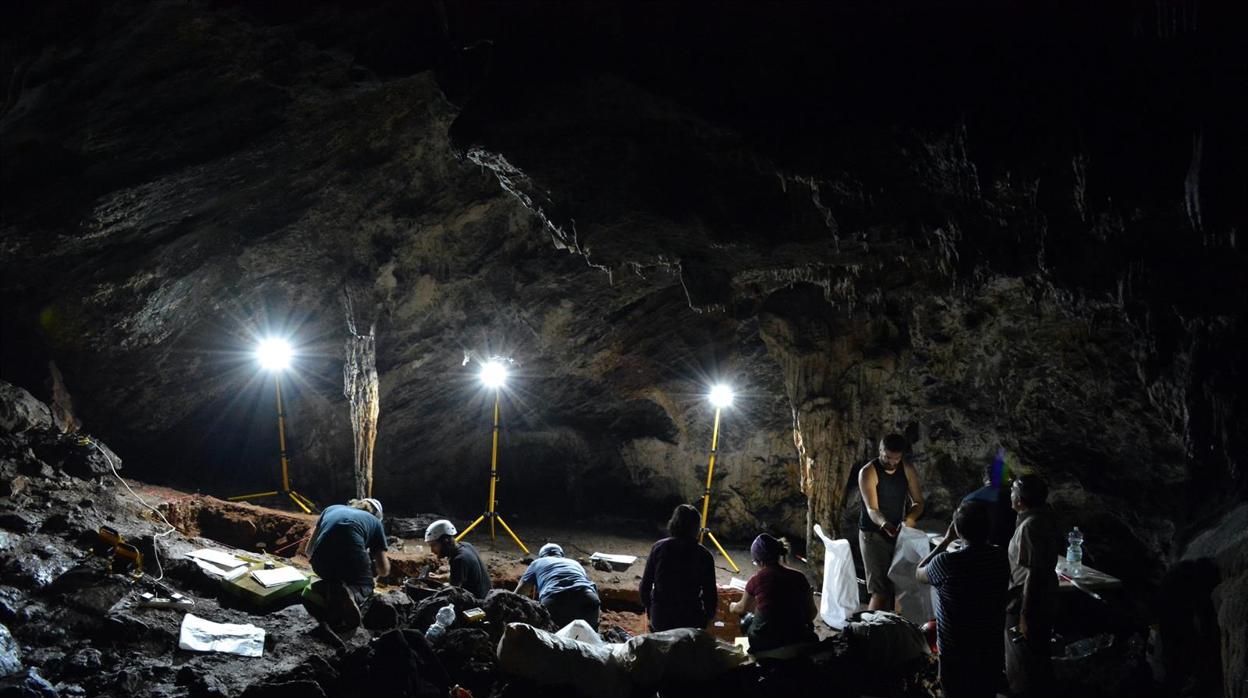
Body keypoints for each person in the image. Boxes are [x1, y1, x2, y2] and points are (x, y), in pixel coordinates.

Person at [916, 501, 1011, 698]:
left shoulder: (947, 562)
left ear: (958, 530)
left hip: (956, 650)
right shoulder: (1000, 558)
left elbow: (919, 573)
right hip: (990, 647)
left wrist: (946, 540)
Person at [857, 433, 925, 611]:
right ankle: (871, 632)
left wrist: (910, 518)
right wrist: (885, 524)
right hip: (873, 535)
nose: (892, 463)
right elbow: (872, 509)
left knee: (899, 586)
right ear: (880, 450)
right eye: (887, 457)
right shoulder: (868, 472)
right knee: (880, 591)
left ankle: (894, 630)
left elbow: (918, 501)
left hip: (898, 533)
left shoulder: (906, 469)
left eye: (897, 459)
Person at [1005, 475, 1059, 697]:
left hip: (1025, 602)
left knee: (1022, 665)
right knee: (1036, 660)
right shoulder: (1042, 517)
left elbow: (1033, 573)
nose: (1010, 494)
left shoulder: (1030, 526)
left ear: (1020, 500)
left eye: (1013, 491)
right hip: (1041, 599)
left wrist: (1024, 615)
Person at [302, 497, 389, 631]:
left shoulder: (330, 509)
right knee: (366, 585)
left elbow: (308, 550)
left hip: (320, 564)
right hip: (351, 559)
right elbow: (383, 569)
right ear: (377, 516)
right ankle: (352, 594)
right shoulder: (375, 523)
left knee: (336, 576)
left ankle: (333, 586)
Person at [729, 534, 817, 653]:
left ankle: (759, 654)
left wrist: (732, 606)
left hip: (766, 643)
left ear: (759, 561)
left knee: (747, 619)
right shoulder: (799, 577)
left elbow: (741, 608)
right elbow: (811, 614)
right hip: (797, 637)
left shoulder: (756, 580)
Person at [639, 504, 719, 632]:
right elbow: (710, 594)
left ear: (674, 523)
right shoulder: (704, 555)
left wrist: (650, 609)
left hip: (661, 618)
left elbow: (645, 585)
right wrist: (707, 619)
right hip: (690, 618)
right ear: (697, 528)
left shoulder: (659, 548)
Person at [515, 543, 601, 630]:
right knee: (588, 638)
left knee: (554, 638)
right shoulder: (575, 563)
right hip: (588, 599)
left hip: (555, 601)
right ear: (561, 555)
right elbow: (592, 586)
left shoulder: (536, 563)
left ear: (542, 556)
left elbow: (521, 592)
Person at [425, 519, 491, 599]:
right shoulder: (466, 546)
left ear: (445, 541)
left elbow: (453, 591)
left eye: (434, 545)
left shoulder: (459, 560)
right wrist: (438, 577)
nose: (432, 550)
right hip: (486, 596)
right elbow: (458, 576)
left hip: (477, 604)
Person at [961, 463, 1016, 548]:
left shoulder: (969, 498)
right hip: (1006, 550)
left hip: (976, 549)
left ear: (985, 478)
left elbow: (962, 527)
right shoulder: (1014, 498)